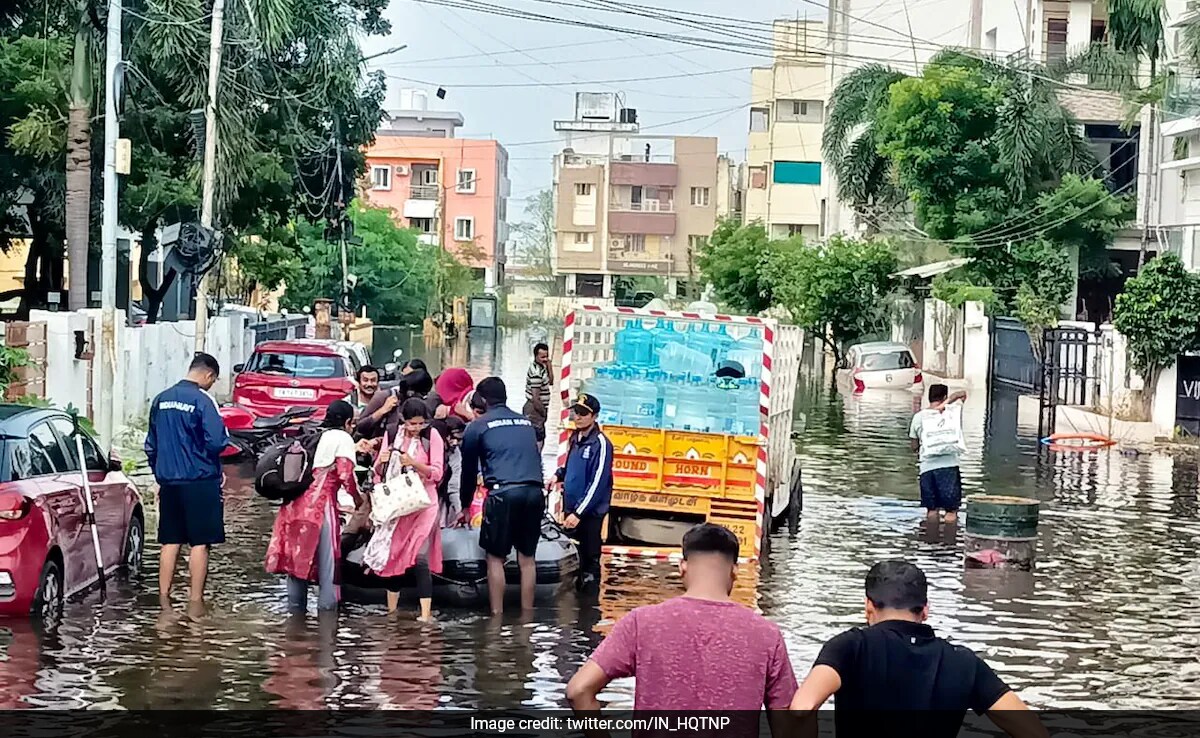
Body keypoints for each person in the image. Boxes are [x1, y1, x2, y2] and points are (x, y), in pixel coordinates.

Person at [791, 560, 1046, 738]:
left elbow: (802, 708)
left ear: (869, 605)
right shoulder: (963, 662)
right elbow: (1031, 731)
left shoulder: (850, 647)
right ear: (925, 610)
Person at [567, 523, 797, 712]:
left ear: (682, 567)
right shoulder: (766, 635)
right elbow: (791, 724)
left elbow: (579, 690)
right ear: (734, 570)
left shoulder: (642, 622)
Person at [144, 352, 229, 614]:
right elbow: (217, 441)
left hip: (169, 481)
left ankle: (164, 602)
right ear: (209, 375)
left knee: (170, 541)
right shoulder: (203, 400)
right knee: (199, 542)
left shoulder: (161, 399)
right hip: (200, 480)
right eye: (213, 380)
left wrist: (160, 474)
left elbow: (151, 445)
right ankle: (195, 604)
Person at [265, 400, 363, 613]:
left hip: (292, 506)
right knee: (328, 567)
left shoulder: (312, 436)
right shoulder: (343, 438)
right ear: (347, 422)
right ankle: (327, 620)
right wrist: (358, 501)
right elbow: (346, 476)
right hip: (319, 507)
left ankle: (295, 620)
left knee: (296, 562)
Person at [460, 377, 545, 615]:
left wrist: (465, 506)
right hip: (534, 491)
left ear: (483, 400)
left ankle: (496, 618)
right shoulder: (526, 423)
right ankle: (527, 616)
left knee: (495, 557)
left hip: (503, 493)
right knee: (527, 558)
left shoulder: (478, 426)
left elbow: (468, 472)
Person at [364, 398, 445, 620]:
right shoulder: (391, 434)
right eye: (412, 424)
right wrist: (381, 460)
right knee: (396, 553)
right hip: (399, 504)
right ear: (403, 420)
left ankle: (425, 614)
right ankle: (392, 611)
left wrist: (414, 463)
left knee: (420, 556)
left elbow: (437, 473)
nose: (417, 428)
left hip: (424, 502)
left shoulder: (432, 437)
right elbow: (379, 473)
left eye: (421, 424)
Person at [553, 393, 612, 592]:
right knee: (573, 560)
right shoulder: (575, 438)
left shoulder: (601, 444)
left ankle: (589, 610)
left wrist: (579, 513)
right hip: (571, 510)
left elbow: (598, 482)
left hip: (589, 514)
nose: (577, 417)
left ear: (594, 416)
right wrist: (557, 476)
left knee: (589, 561)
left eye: (583, 413)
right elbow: (570, 467)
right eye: (576, 412)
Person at [909, 383, 968, 523]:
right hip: (949, 468)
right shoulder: (950, 415)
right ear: (945, 397)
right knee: (951, 511)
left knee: (931, 510)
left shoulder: (918, 418)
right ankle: (949, 543)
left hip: (927, 469)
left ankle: (930, 541)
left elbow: (913, 446)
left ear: (928, 398)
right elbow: (961, 394)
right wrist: (950, 400)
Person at [356, 366, 434, 439]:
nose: (423, 398)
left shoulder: (422, 404)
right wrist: (382, 410)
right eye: (422, 395)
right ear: (410, 392)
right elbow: (360, 427)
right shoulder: (384, 397)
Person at [524, 343, 552, 451]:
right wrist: (543, 412)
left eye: (546, 356)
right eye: (542, 357)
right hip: (535, 409)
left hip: (539, 408)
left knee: (539, 436)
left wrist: (549, 366)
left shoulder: (542, 368)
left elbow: (551, 381)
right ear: (536, 356)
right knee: (537, 437)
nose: (545, 359)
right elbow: (536, 398)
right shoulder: (536, 372)